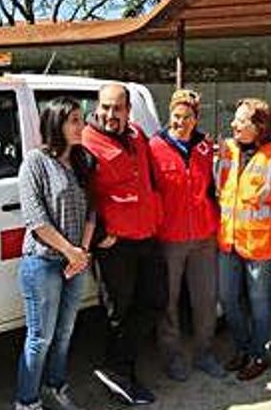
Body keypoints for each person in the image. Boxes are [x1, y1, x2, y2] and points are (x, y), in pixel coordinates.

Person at [82, 83, 161, 405]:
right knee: (119, 311)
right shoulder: (86, 143)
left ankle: (117, 367)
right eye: (105, 107)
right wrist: (100, 235)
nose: (110, 114)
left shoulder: (136, 134)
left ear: (129, 111)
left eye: (117, 108)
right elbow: (79, 195)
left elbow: (149, 178)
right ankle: (120, 373)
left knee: (155, 301)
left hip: (147, 236)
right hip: (116, 245)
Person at [15, 97, 95, 410]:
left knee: (64, 333)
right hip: (44, 262)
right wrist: (70, 251)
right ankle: (27, 401)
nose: (81, 126)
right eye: (74, 120)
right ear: (56, 123)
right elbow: (36, 220)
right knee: (40, 338)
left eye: (81, 119)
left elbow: (93, 212)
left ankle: (55, 386)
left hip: (76, 262)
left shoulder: (82, 161)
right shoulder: (35, 162)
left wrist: (82, 252)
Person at [149, 89, 225, 382]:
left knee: (205, 300)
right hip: (169, 237)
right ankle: (172, 357)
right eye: (176, 117)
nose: (180, 123)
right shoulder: (154, 146)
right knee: (168, 302)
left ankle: (204, 353)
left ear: (196, 119)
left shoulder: (205, 147)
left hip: (204, 237)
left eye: (186, 117)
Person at [217, 98, 271, 382]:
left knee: (259, 302)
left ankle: (257, 353)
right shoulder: (226, 150)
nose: (234, 124)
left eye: (241, 120)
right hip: (228, 239)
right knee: (227, 298)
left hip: (261, 244)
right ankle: (243, 346)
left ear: (259, 126)